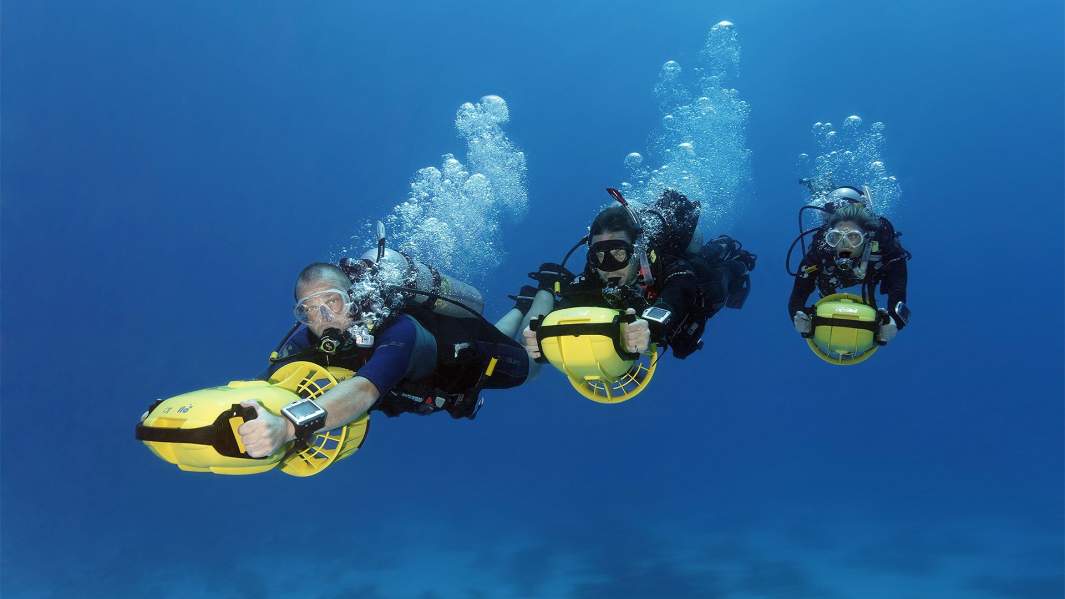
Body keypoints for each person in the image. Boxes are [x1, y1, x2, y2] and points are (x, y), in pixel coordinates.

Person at [237, 260, 551, 459]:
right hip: (427, 386)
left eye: (332, 302)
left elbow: (364, 390)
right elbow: (268, 384)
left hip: (466, 362)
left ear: (353, 298)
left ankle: (546, 292)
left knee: (530, 365)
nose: (323, 317)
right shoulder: (305, 339)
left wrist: (288, 428)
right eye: (308, 308)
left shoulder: (397, 330)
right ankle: (522, 303)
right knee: (507, 337)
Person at [521, 188, 756, 363]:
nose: (609, 266)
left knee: (712, 287)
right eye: (599, 256)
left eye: (619, 253)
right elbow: (573, 301)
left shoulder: (664, 264)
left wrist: (652, 326)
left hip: (688, 267)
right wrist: (543, 336)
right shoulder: (595, 271)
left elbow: (680, 287)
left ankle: (736, 258)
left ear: (636, 252)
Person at [788, 186, 911, 343]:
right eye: (835, 237)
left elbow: (898, 293)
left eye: (853, 237)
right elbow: (797, 297)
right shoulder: (821, 250)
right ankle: (821, 186)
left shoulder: (886, 249)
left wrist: (894, 322)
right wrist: (798, 318)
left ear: (867, 237)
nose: (843, 244)